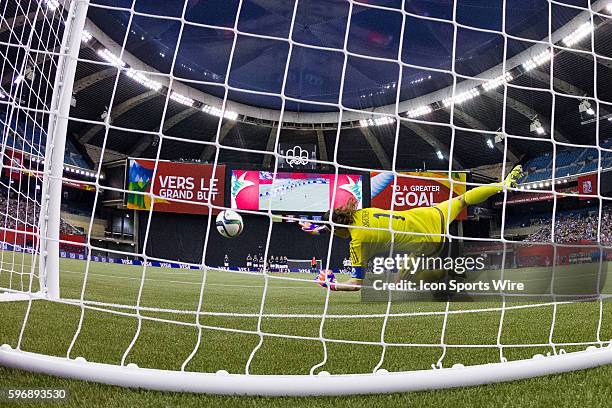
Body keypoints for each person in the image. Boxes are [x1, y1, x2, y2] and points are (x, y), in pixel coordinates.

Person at [300, 165, 524, 291]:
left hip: (426, 242)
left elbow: (356, 284)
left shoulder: (357, 241)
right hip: (431, 213)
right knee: (464, 199)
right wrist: (318, 228)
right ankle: (501, 184)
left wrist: (332, 285)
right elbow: (338, 226)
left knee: (398, 284)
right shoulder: (358, 211)